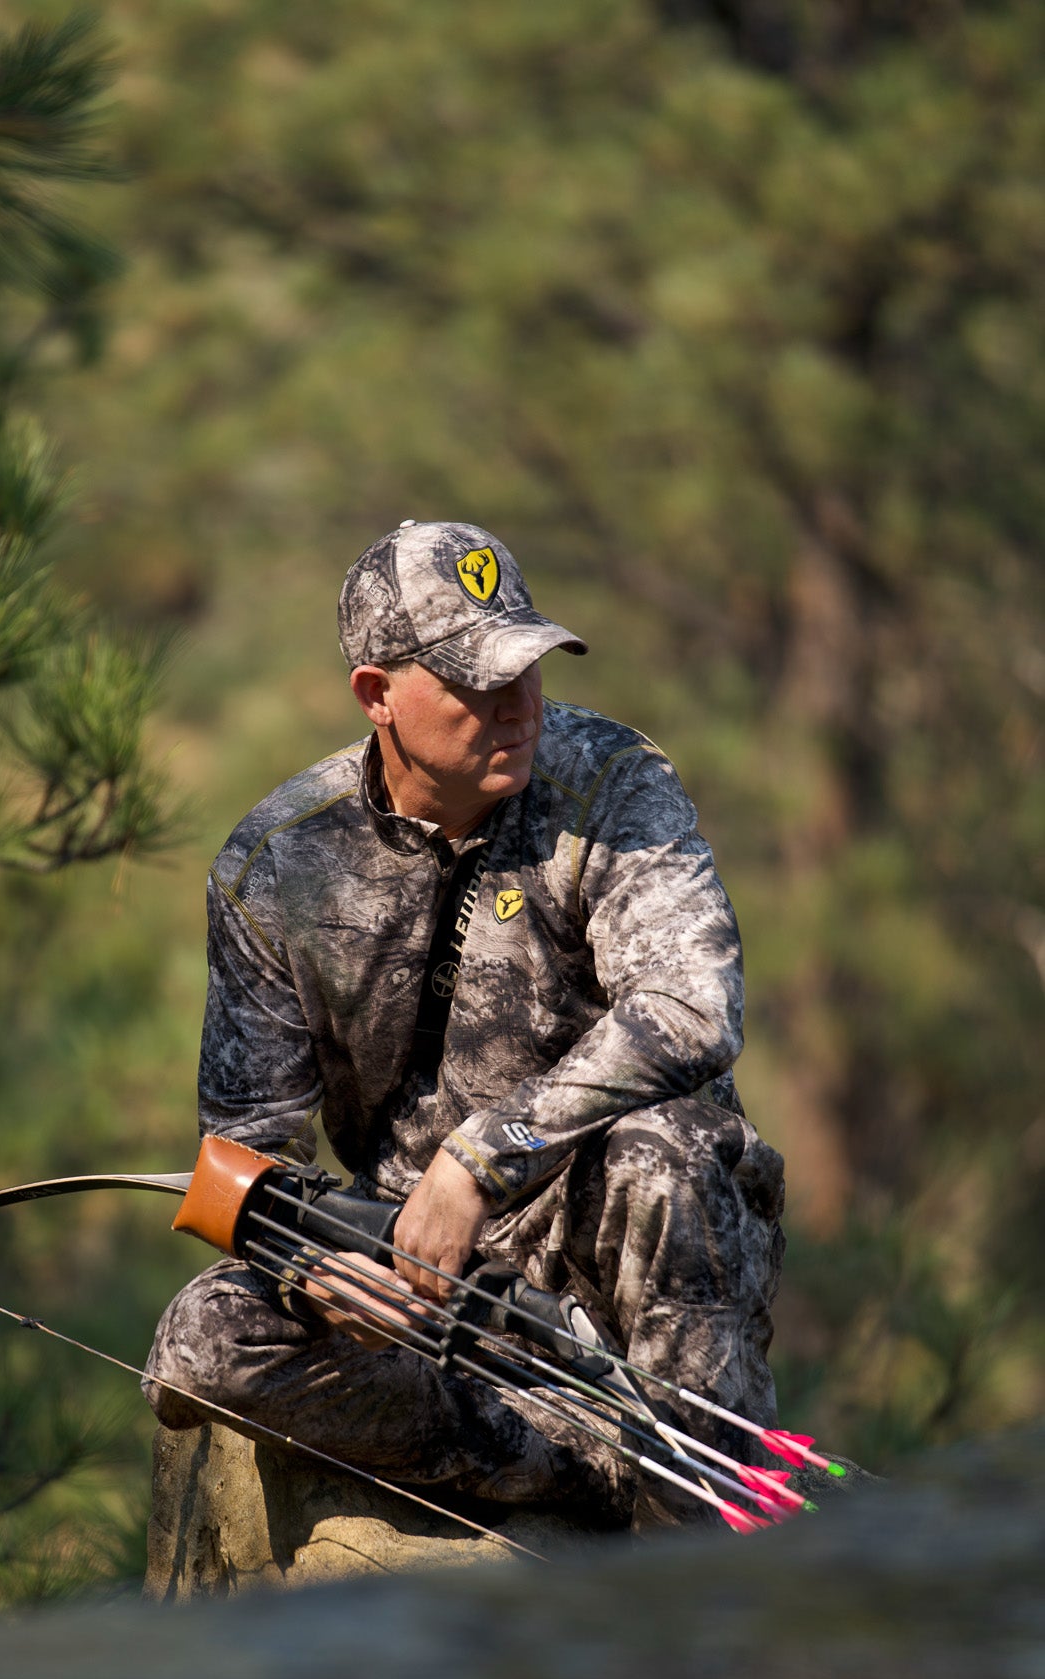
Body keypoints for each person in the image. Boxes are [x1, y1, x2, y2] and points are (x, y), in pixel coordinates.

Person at [144, 521, 785, 1531]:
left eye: (525, 667)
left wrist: (476, 1161)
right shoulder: (275, 862)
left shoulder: (609, 779)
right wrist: (321, 1273)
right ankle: (569, 1467)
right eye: (473, 682)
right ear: (375, 695)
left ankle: (689, 1503)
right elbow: (246, 1149)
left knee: (666, 1146)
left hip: (622, 1237)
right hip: (428, 1282)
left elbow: (692, 1007)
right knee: (204, 1337)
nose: (516, 706)